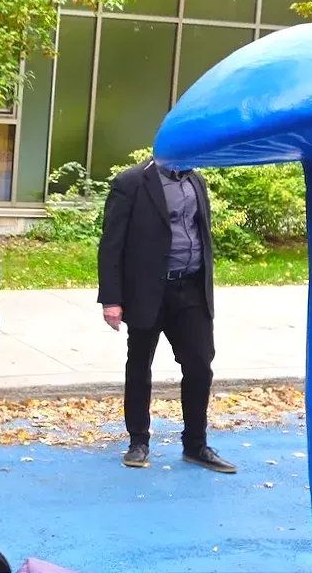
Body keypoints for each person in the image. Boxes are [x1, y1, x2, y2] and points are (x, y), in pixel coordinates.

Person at [96, 156, 235, 474]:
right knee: (140, 365)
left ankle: (196, 445)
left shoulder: (195, 180)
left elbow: (199, 232)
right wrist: (111, 299)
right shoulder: (131, 182)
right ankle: (138, 441)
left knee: (200, 365)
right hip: (148, 291)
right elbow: (111, 243)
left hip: (191, 290)